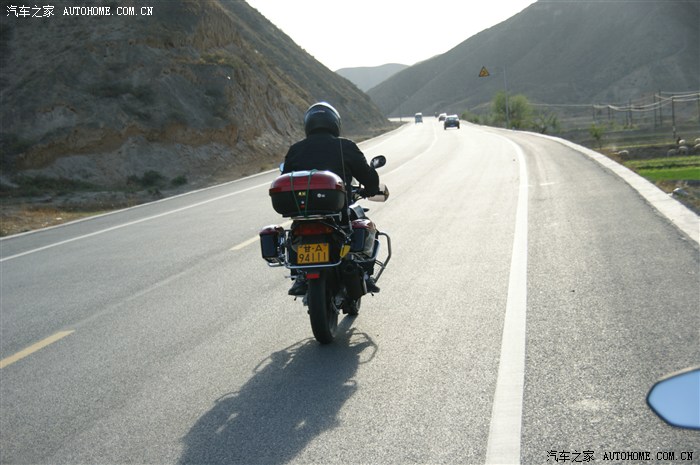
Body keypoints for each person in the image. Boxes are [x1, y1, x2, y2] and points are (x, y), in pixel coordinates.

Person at [282, 101, 381, 296]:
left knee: (295, 233)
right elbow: (367, 176)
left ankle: (299, 276)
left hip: (304, 211)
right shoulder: (346, 146)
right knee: (365, 225)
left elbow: (286, 179)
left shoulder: (295, 149)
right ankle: (365, 275)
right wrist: (370, 189)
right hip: (339, 211)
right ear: (335, 123)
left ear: (308, 124)